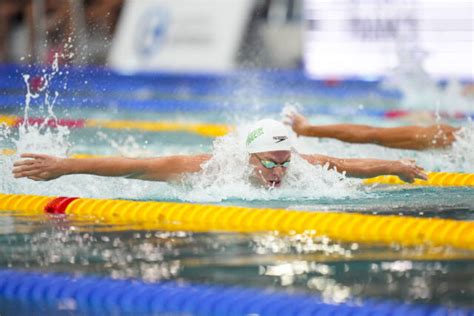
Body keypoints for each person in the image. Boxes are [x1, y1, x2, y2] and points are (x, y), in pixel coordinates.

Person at [12, 119, 427, 188]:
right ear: (249, 157)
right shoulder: (208, 168)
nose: (278, 170)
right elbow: (134, 166)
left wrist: (395, 165)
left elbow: (349, 166)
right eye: (270, 162)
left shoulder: (295, 165)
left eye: (284, 162)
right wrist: (64, 167)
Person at [284, 109, 459, 150]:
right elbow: (373, 134)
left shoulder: (459, 139)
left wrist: (309, 130)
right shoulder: (458, 138)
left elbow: (373, 134)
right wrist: (310, 130)